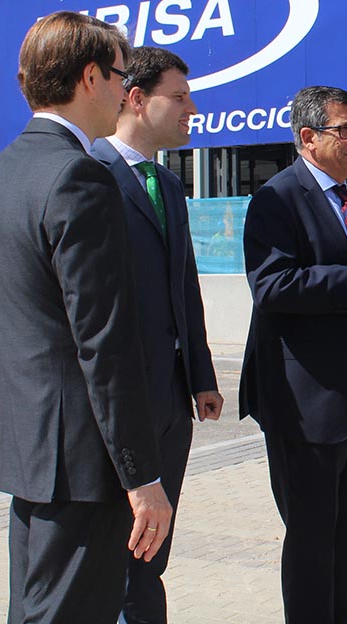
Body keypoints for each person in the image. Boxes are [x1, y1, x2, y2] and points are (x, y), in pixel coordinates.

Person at [0, 12, 172, 624]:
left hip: (29, 453)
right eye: (118, 75)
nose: (126, 90)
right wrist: (141, 476)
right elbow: (102, 342)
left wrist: (32, 397)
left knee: (35, 611)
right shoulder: (80, 176)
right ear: (88, 78)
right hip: (84, 464)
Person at [238, 85, 347, 624]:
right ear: (308, 138)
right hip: (303, 404)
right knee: (312, 541)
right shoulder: (277, 198)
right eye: (346, 130)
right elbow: (271, 286)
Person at [89, 46, 223, 624]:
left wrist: (200, 376)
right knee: (118, 551)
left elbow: (183, 286)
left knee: (152, 551)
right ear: (137, 99)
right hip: (119, 402)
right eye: (180, 96)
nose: (192, 107)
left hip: (170, 402)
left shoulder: (168, 187)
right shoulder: (90, 176)